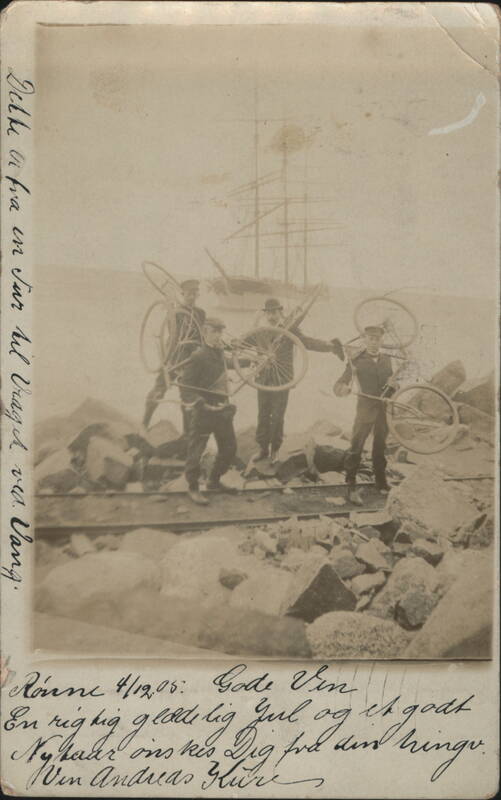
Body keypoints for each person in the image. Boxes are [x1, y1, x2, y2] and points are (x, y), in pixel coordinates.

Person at [253, 297, 345, 463]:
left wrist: (330, 347)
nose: (272, 316)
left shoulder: (290, 329)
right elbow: (243, 342)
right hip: (263, 379)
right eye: (269, 313)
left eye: (275, 312)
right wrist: (231, 343)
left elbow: (307, 343)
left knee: (278, 416)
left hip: (282, 380)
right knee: (263, 414)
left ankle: (275, 450)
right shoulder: (260, 332)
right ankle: (262, 449)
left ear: (281, 312)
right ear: (265, 314)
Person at [180, 317, 239, 506]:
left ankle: (214, 481)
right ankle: (193, 488)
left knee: (230, 448)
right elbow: (185, 386)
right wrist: (199, 403)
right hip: (204, 410)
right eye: (214, 331)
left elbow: (230, 363)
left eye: (220, 331)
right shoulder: (198, 356)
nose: (218, 335)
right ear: (205, 332)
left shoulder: (219, 353)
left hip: (222, 409)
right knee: (196, 451)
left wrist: (252, 362)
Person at [334, 325, 395, 505]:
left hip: (384, 410)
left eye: (377, 339)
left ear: (381, 340)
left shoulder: (387, 360)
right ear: (365, 339)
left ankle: (381, 481)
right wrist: (343, 389)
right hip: (365, 409)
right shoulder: (356, 360)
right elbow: (339, 384)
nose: (374, 342)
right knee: (356, 447)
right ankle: (351, 486)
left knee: (380, 446)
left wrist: (393, 386)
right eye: (371, 338)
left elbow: (391, 386)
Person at [142, 278, 206, 430]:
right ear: (183, 294)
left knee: (187, 396)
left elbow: (201, 335)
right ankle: (144, 424)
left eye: (195, 294)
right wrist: (171, 307)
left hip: (191, 358)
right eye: (189, 294)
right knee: (159, 389)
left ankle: (187, 434)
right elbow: (172, 331)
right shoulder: (176, 312)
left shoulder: (200, 313)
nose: (192, 297)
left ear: (198, 295)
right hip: (173, 355)